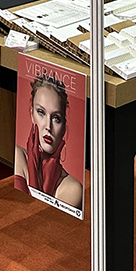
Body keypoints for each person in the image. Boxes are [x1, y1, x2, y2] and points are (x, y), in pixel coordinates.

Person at [14, 73, 82, 211]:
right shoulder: (17, 155)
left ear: (64, 127)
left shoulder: (72, 188)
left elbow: (40, 220)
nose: (48, 126)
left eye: (56, 118)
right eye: (41, 112)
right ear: (31, 114)